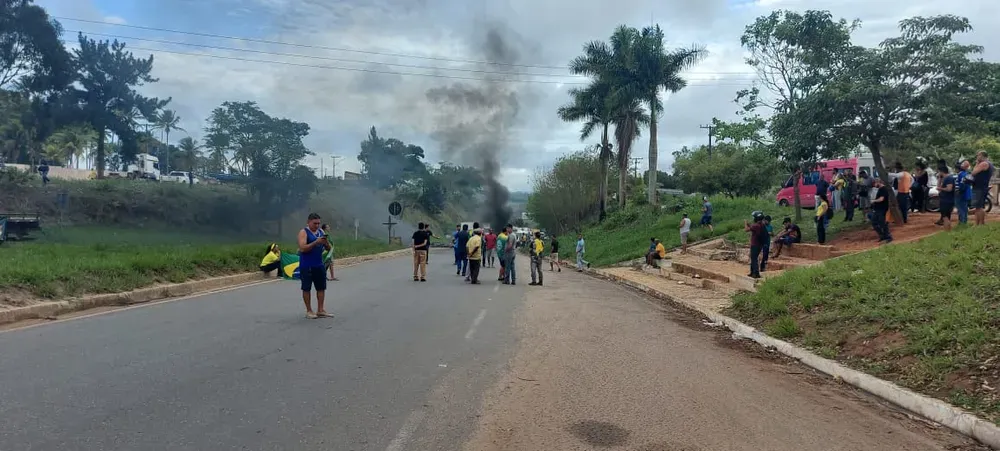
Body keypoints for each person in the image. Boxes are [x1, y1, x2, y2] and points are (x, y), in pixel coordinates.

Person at [297, 213, 332, 319]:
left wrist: (325, 243)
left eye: (318, 223)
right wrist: (315, 242)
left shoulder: (321, 232)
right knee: (306, 288)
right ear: (308, 222)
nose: (317, 225)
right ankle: (309, 310)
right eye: (315, 223)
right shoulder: (303, 232)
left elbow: (329, 249)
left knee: (321, 287)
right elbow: (302, 248)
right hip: (307, 265)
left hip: (319, 264)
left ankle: (320, 310)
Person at [970, 151, 994, 226]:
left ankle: (979, 224)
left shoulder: (984, 163)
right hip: (982, 186)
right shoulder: (989, 164)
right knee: (979, 207)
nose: (977, 157)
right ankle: (979, 223)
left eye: (978, 155)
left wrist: (977, 163)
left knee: (978, 207)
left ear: (982, 156)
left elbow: (973, 172)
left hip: (979, 187)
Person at [743, 212, 766, 279]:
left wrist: (745, 222)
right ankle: (752, 272)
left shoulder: (756, 225)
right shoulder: (761, 224)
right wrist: (749, 224)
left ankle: (756, 273)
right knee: (753, 258)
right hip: (759, 244)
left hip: (755, 244)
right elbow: (752, 228)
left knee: (754, 258)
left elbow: (746, 230)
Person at [871, 177, 893, 243]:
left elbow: (881, 199)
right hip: (877, 209)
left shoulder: (884, 189)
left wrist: (873, 201)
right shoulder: (880, 189)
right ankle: (882, 236)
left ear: (878, 182)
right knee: (874, 222)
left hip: (882, 209)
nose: (874, 185)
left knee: (883, 223)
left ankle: (888, 237)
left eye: (875, 183)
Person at [935, 165, 956, 230]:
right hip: (945, 199)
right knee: (946, 216)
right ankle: (948, 229)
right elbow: (938, 187)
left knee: (945, 216)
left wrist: (941, 188)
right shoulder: (945, 178)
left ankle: (947, 230)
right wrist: (939, 179)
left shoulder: (948, 178)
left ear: (941, 171)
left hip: (947, 200)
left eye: (938, 172)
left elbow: (949, 189)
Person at [956, 160, 973, 225]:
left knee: (961, 209)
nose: (961, 164)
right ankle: (964, 222)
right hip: (966, 194)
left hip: (962, 194)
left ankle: (962, 223)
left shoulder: (962, 174)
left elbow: (963, 184)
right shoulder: (966, 174)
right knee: (964, 209)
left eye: (963, 164)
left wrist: (959, 191)